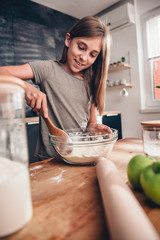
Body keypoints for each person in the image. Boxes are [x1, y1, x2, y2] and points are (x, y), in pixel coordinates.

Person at [0, 16, 111, 160]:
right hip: (50, 160)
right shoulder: (48, 69)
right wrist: (25, 86)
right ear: (68, 40)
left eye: (92, 55)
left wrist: (94, 127)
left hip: (80, 156)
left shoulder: (91, 82)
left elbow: (91, 123)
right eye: (81, 47)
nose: (84, 57)